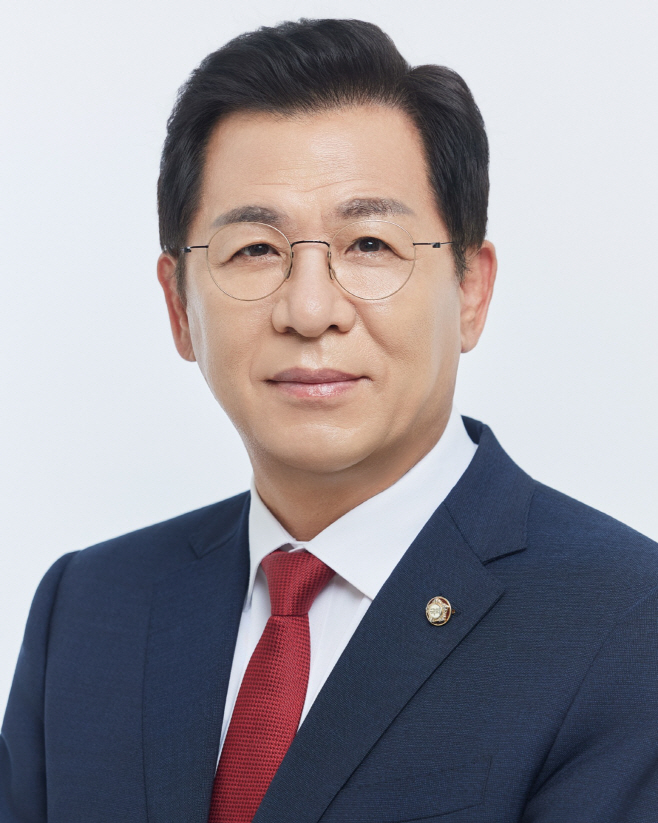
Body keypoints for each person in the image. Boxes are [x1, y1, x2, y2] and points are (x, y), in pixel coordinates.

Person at [2, 17, 658, 823]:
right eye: (254, 250)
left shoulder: (627, 622)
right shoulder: (89, 609)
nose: (310, 310)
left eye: (370, 243)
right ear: (178, 306)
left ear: (471, 290)